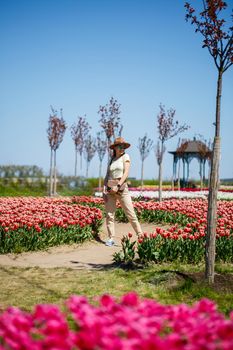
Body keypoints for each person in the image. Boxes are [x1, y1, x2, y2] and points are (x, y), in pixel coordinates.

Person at [103, 137, 143, 246]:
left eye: (123, 146)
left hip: (121, 189)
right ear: (115, 148)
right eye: (120, 146)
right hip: (110, 189)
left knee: (130, 213)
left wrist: (118, 185)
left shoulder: (126, 157)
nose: (122, 148)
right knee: (110, 215)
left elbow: (126, 173)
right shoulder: (111, 160)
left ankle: (140, 235)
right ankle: (111, 238)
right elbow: (107, 175)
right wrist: (104, 188)